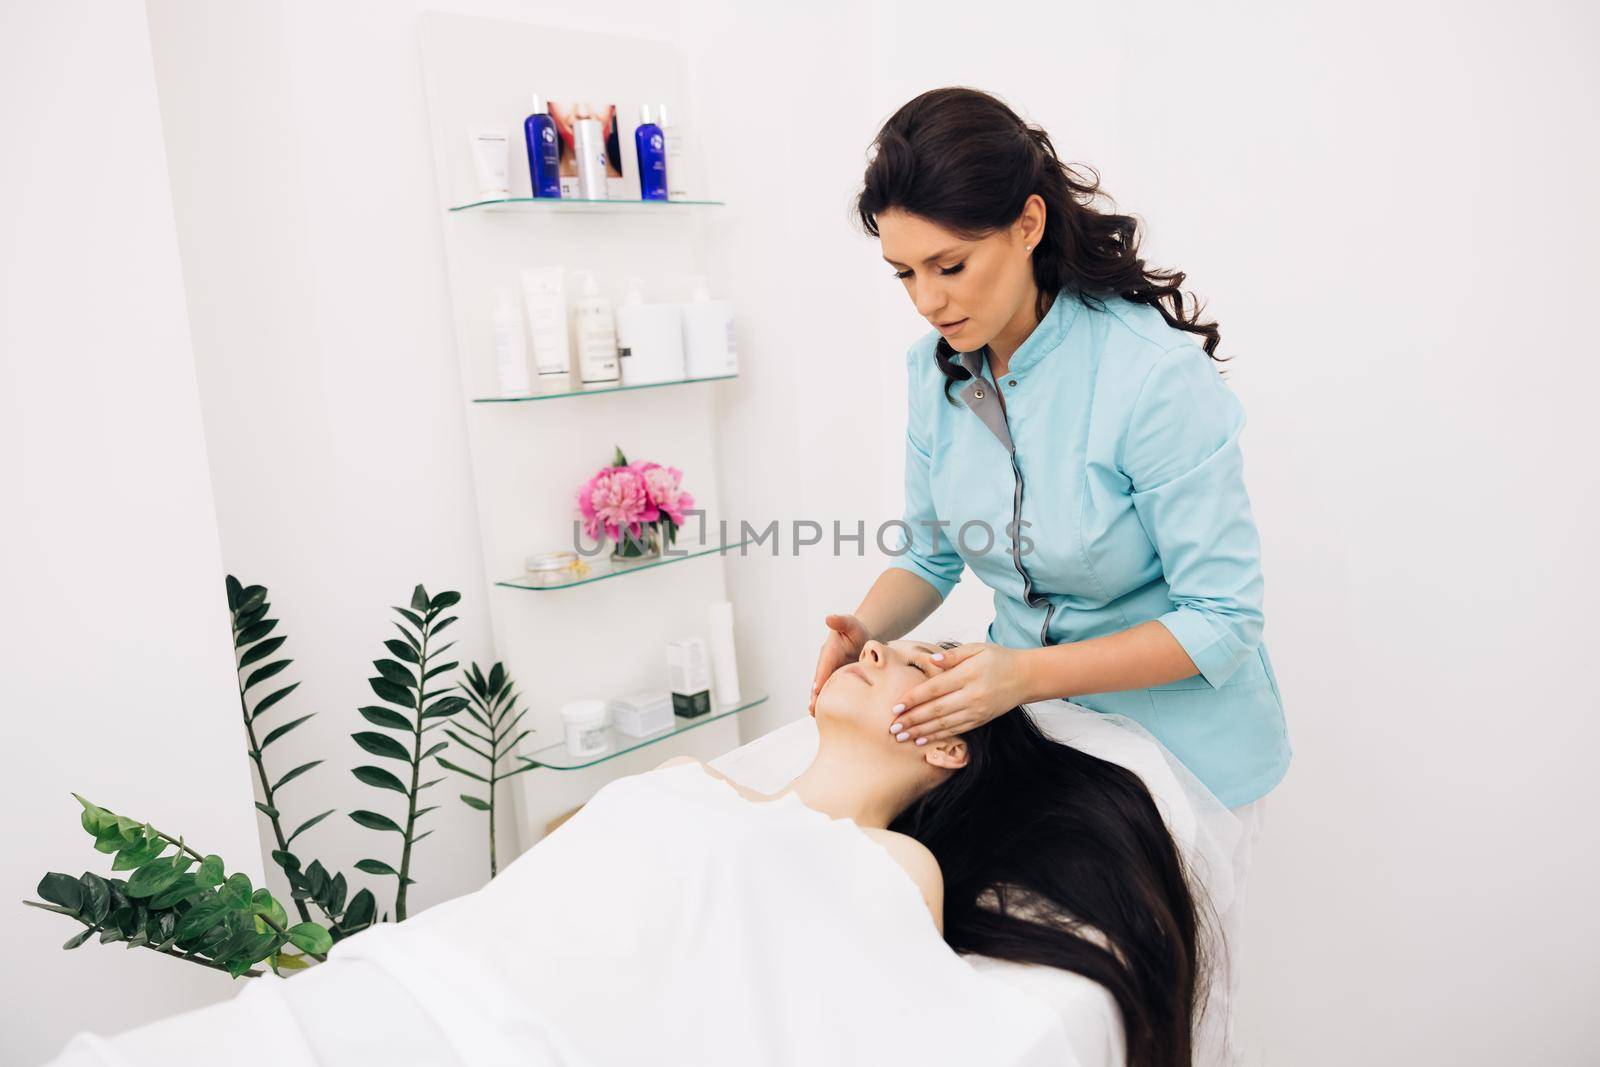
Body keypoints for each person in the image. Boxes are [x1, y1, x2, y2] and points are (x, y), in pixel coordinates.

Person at [45, 638, 1216, 1067]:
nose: (888, 653)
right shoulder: (694, 784)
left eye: (924, 665)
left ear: (954, 754)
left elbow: (818, 1004)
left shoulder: (894, 864)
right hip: (438, 976)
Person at [809, 87, 1290, 1055]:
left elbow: (1222, 619)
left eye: (951, 265)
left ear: (1028, 222)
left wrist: (1021, 673)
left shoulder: (1148, 378)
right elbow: (935, 551)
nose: (929, 300)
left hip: (1184, 745)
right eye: (903, 273)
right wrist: (862, 628)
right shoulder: (932, 371)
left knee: (1165, 1008)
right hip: (1035, 733)